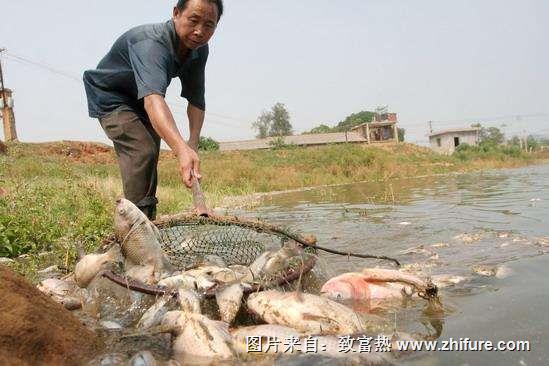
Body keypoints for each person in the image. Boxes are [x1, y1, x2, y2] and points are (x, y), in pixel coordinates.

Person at [83, 0, 223, 219]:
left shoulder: (198, 49)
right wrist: (181, 150)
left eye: (209, 25)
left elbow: (196, 99)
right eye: (193, 20)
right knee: (143, 150)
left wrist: (192, 144)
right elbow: (153, 100)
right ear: (176, 13)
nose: (199, 31)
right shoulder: (150, 43)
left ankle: (146, 219)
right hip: (112, 95)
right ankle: (135, 229)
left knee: (151, 154)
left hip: (142, 99)